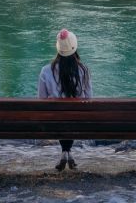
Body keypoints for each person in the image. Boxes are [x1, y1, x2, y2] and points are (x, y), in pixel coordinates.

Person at [38, 28, 92, 171]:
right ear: (74, 48)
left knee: (61, 117)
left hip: (54, 120)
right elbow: (89, 97)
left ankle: (65, 152)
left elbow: (41, 99)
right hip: (77, 121)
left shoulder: (45, 71)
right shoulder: (84, 70)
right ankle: (67, 152)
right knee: (72, 117)